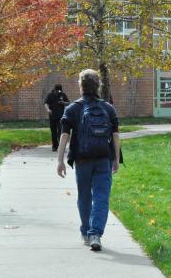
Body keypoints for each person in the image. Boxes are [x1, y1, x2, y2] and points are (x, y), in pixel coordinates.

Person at [56, 69, 121, 252]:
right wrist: (116, 159)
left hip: (82, 160)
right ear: (98, 85)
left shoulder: (73, 109)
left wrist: (60, 160)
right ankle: (96, 234)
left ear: (81, 85)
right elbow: (115, 136)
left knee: (84, 196)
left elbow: (64, 136)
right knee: (102, 196)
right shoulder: (108, 108)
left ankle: (86, 232)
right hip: (103, 159)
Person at [44, 84, 69, 151]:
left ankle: (61, 147)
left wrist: (63, 102)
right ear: (54, 90)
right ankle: (55, 146)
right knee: (53, 132)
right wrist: (48, 109)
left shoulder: (63, 94)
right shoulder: (50, 95)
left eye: (60, 91)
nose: (59, 92)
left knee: (60, 131)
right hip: (52, 116)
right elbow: (46, 103)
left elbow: (68, 103)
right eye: (57, 91)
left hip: (61, 116)